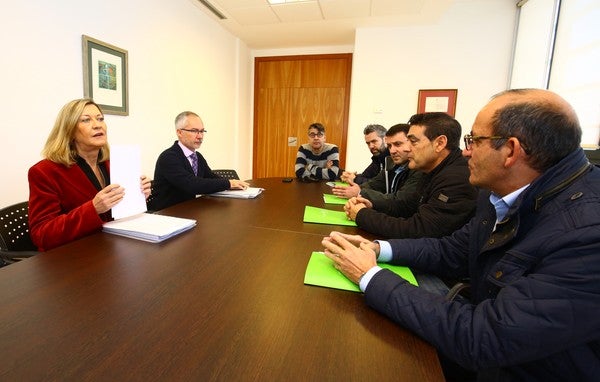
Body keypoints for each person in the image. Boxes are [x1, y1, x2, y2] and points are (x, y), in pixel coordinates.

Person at [321, 89, 600, 381]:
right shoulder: (500, 194)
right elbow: (451, 250)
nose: (466, 151)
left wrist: (369, 276)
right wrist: (378, 249)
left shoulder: (587, 235)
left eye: (475, 140)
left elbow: (486, 338)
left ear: (511, 151)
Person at [28, 99, 152, 252]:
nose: (97, 125)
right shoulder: (44, 171)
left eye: (100, 119)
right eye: (86, 120)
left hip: (110, 249)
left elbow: (114, 217)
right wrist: (92, 209)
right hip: (72, 259)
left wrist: (136, 196)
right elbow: (41, 234)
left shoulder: (112, 163)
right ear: (69, 131)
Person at [345, 112, 478, 239]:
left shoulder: (456, 178)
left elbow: (419, 230)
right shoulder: (430, 170)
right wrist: (371, 206)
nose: (408, 149)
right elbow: (406, 207)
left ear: (440, 143)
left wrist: (363, 215)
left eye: (413, 142)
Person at [150, 111, 249, 211]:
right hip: (167, 215)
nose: (200, 136)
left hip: (189, 211)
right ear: (179, 132)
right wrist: (228, 183)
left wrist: (232, 184)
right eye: (194, 131)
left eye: (202, 131)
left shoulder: (197, 156)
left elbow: (210, 177)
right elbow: (192, 184)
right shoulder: (168, 157)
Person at [331, 124, 423, 210]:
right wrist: (358, 188)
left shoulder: (419, 168)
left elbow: (401, 201)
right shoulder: (389, 162)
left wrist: (359, 191)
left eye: (398, 144)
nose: (392, 151)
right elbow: (374, 183)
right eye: (390, 146)